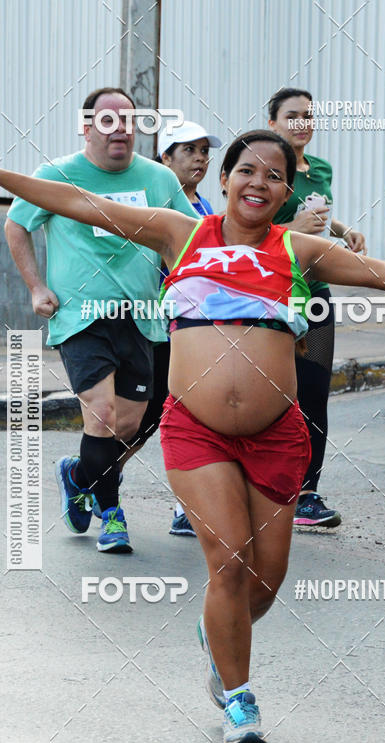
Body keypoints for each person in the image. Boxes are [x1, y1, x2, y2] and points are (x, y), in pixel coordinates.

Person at [0, 128, 385, 743]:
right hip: (195, 432)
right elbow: (76, 203)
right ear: (224, 180)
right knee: (228, 564)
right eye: (247, 170)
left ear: (284, 192)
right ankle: (239, 700)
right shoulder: (179, 232)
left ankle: (217, 635)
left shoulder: (299, 249)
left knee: (265, 581)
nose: (259, 183)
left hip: (276, 436)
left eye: (274, 176)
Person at [4, 87, 197, 553]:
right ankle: (112, 515)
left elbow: (192, 236)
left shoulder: (157, 178)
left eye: (129, 121)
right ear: (86, 127)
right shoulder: (57, 176)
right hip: (81, 314)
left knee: (127, 426)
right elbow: (16, 224)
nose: (121, 130)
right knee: (103, 413)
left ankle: (77, 474)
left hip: (142, 316)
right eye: (108, 121)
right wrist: (36, 287)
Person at [268, 87, 367, 528]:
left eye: (308, 116)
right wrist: (293, 227)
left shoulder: (320, 167)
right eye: (291, 116)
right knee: (268, 393)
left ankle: (307, 493)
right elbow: (249, 230)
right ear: (273, 123)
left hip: (315, 293)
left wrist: (343, 230)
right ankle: (261, 487)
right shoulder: (265, 169)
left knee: (314, 393)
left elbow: (318, 214)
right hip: (269, 294)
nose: (301, 124)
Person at [157, 120, 221, 536]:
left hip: (207, 329)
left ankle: (188, 507)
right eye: (188, 151)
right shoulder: (160, 209)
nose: (200, 158)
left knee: (198, 415)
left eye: (203, 150)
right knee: (160, 420)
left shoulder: (209, 208)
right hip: (167, 329)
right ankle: (94, 477)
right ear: (165, 159)